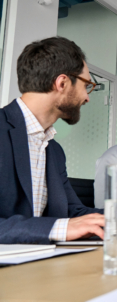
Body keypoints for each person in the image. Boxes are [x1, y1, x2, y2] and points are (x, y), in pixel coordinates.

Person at [0, 37, 104, 245]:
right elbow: (65, 225)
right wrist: (58, 228)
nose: (87, 97)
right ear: (62, 83)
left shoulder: (53, 150)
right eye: (87, 85)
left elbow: (74, 212)